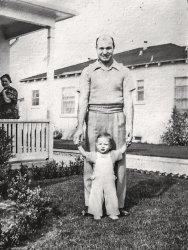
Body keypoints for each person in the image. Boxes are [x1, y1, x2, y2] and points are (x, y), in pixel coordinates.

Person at [74, 34, 135, 215]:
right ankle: (91, 205)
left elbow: (129, 101)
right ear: (96, 49)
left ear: (114, 48)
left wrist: (130, 126)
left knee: (119, 161)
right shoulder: (88, 71)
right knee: (91, 159)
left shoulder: (124, 71)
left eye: (108, 48)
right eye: (101, 48)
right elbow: (83, 100)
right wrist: (79, 127)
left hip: (117, 116)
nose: (105, 52)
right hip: (93, 116)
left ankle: (118, 206)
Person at [76, 133, 127, 220]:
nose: (102, 146)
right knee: (96, 195)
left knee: (111, 196)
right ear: (96, 145)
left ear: (110, 146)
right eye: (100, 144)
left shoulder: (113, 154)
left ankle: (112, 212)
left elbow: (122, 151)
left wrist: (128, 143)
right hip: (97, 180)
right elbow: (84, 153)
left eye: (105, 144)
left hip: (109, 180)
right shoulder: (94, 155)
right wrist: (78, 145)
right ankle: (96, 213)